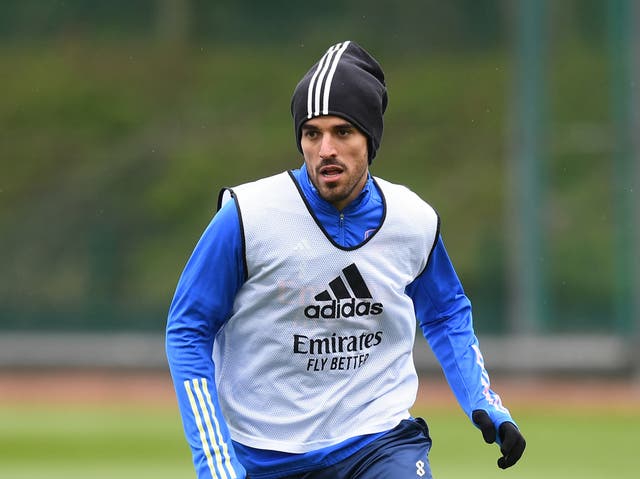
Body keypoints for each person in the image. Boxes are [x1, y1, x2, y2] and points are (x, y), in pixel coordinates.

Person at [166, 40, 526, 479]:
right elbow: (188, 329)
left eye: (343, 132)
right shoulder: (246, 217)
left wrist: (483, 401)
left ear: (370, 139)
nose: (325, 149)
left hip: (378, 442)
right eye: (312, 133)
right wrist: (216, 462)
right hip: (264, 455)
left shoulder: (412, 220)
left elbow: (447, 312)